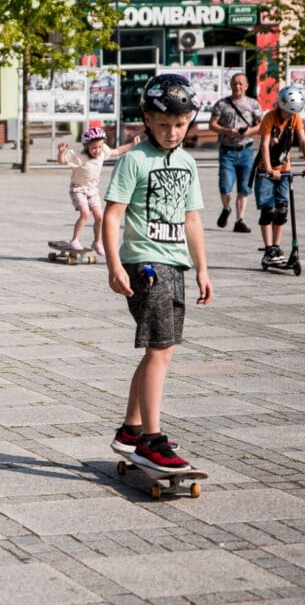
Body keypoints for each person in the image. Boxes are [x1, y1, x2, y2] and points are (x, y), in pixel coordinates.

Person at [102, 74, 213, 472]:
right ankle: (151, 438)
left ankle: (131, 430)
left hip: (175, 262)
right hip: (145, 264)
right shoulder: (135, 159)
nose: (172, 132)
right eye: (164, 124)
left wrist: (202, 268)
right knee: (160, 350)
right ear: (146, 119)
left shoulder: (186, 161)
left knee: (159, 349)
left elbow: (193, 219)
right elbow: (113, 215)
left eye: (180, 124)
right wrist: (114, 264)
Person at [255, 85, 305, 266]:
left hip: (284, 168)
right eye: (288, 112)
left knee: (281, 209)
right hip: (265, 170)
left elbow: (303, 140)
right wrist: (267, 168)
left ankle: (276, 245)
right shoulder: (269, 118)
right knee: (268, 210)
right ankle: (268, 250)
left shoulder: (295, 117)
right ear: (280, 106)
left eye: (293, 113)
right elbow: (264, 144)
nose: (290, 116)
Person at [57, 127, 138, 256]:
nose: (97, 150)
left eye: (100, 147)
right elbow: (62, 161)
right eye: (94, 148)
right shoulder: (79, 156)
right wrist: (61, 152)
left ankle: (96, 242)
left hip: (92, 189)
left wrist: (132, 144)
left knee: (100, 217)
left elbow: (116, 151)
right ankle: (74, 240)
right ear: (86, 146)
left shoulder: (103, 151)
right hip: (78, 188)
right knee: (84, 213)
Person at [207, 73, 264, 233]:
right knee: (225, 185)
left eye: (240, 84)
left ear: (246, 86)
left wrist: (249, 131)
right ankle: (226, 208)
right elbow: (212, 124)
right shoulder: (222, 104)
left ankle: (240, 219)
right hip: (227, 151)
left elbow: (262, 125)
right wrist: (227, 131)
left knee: (244, 188)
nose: (237, 86)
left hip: (246, 151)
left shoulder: (253, 104)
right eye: (234, 83)